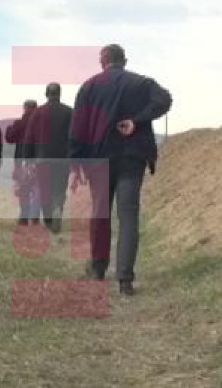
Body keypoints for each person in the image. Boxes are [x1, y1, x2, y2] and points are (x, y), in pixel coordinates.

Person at [69, 44, 172, 295]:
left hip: (98, 159)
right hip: (131, 158)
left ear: (102, 62)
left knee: (100, 212)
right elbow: (165, 99)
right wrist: (138, 120)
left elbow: (77, 128)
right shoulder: (141, 83)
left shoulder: (89, 87)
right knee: (128, 215)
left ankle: (98, 270)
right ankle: (125, 279)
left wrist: (76, 162)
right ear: (124, 61)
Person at [24, 82, 74, 233]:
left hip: (42, 159)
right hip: (63, 159)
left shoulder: (37, 113)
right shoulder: (69, 112)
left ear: (46, 94)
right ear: (59, 94)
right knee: (59, 189)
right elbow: (75, 136)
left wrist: (28, 159)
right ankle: (57, 208)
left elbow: (29, 137)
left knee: (45, 190)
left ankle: (48, 220)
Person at [6, 100, 40, 226]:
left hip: (21, 160)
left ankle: (24, 217)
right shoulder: (41, 125)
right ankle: (35, 217)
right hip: (37, 159)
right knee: (37, 188)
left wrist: (9, 129)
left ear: (24, 108)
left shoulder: (19, 123)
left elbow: (9, 138)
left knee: (23, 189)